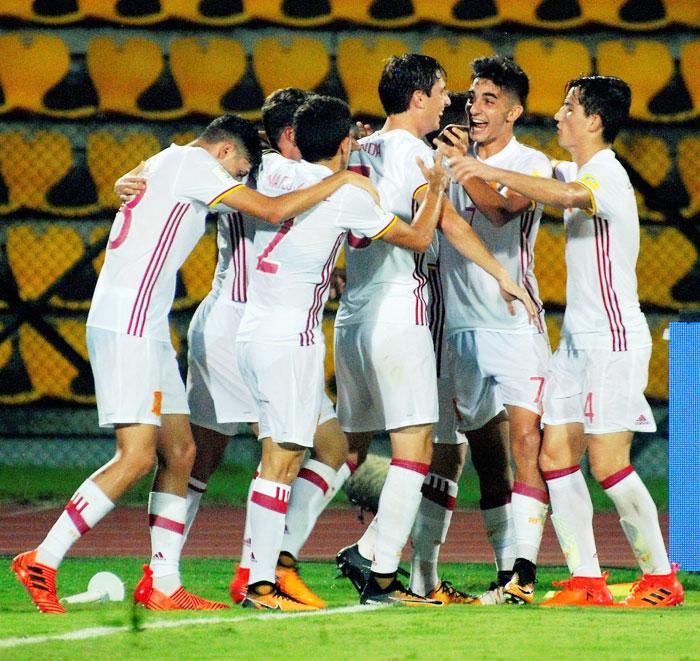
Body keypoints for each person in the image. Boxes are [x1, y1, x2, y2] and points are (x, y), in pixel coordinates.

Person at [10, 113, 374, 614]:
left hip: (146, 325)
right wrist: (342, 178)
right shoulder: (197, 166)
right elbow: (269, 210)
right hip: (128, 324)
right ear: (224, 153)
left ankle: (162, 582)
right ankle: (42, 559)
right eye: (237, 168)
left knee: (180, 452)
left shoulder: (168, 159)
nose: (234, 179)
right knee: (136, 457)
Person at [447, 75, 684, 608]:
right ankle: (586, 579)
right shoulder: (576, 168)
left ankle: (659, 577)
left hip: (612, 338)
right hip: (576, 341)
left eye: (569, 107)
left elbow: (570, 194)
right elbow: (535, 181)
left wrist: (481, 166)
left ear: (594, 120)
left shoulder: (604, 174)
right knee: (555, 456)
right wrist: (474, 156)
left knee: (607, 462)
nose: (558, 115)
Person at [333, 53, 537, 606]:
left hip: (354, 311)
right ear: (419, 97)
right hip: (407, 312)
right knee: (418, 451)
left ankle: (285, 560)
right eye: (446, 91)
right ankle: (378, 568)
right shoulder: (407, 151)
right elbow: (440, 226)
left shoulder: (361, 147)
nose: (454, 102)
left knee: (355, 443)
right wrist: (503, 275)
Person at [237, 94, 450, 611]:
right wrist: (438, 187)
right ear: (343, 143)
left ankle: (267, 571)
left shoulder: (274, 171)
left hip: (253, 330)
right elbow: (420, 238)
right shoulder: (349, 195)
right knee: (281, 461)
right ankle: (263, 584)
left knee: (328, 447)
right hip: (291, 338)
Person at [421, 56, 552, 606]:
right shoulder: (448, 156)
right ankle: (473, 574)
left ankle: (524, 569)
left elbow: (501, 213)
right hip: (456, 325)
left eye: (489, 99)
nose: (475, 108)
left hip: (514, 321)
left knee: (525, 442)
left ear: (515, 111)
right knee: (474, 451)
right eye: (472, 98)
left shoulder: (534, 162)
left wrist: (460, 167)